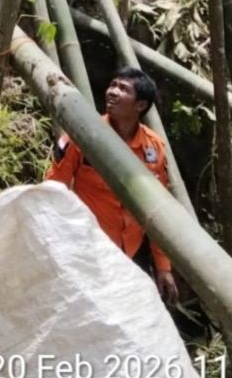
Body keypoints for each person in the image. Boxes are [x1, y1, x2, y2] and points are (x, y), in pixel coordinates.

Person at [45, 68, 179, 307]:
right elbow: (53, 190)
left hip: (132, 254)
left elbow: (160, 210)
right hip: (87, 249)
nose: (113, 92)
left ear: (140, 105)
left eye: (123, 89)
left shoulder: (154, 148)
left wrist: (163, 267)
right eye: (113, 85)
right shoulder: (82, 134)